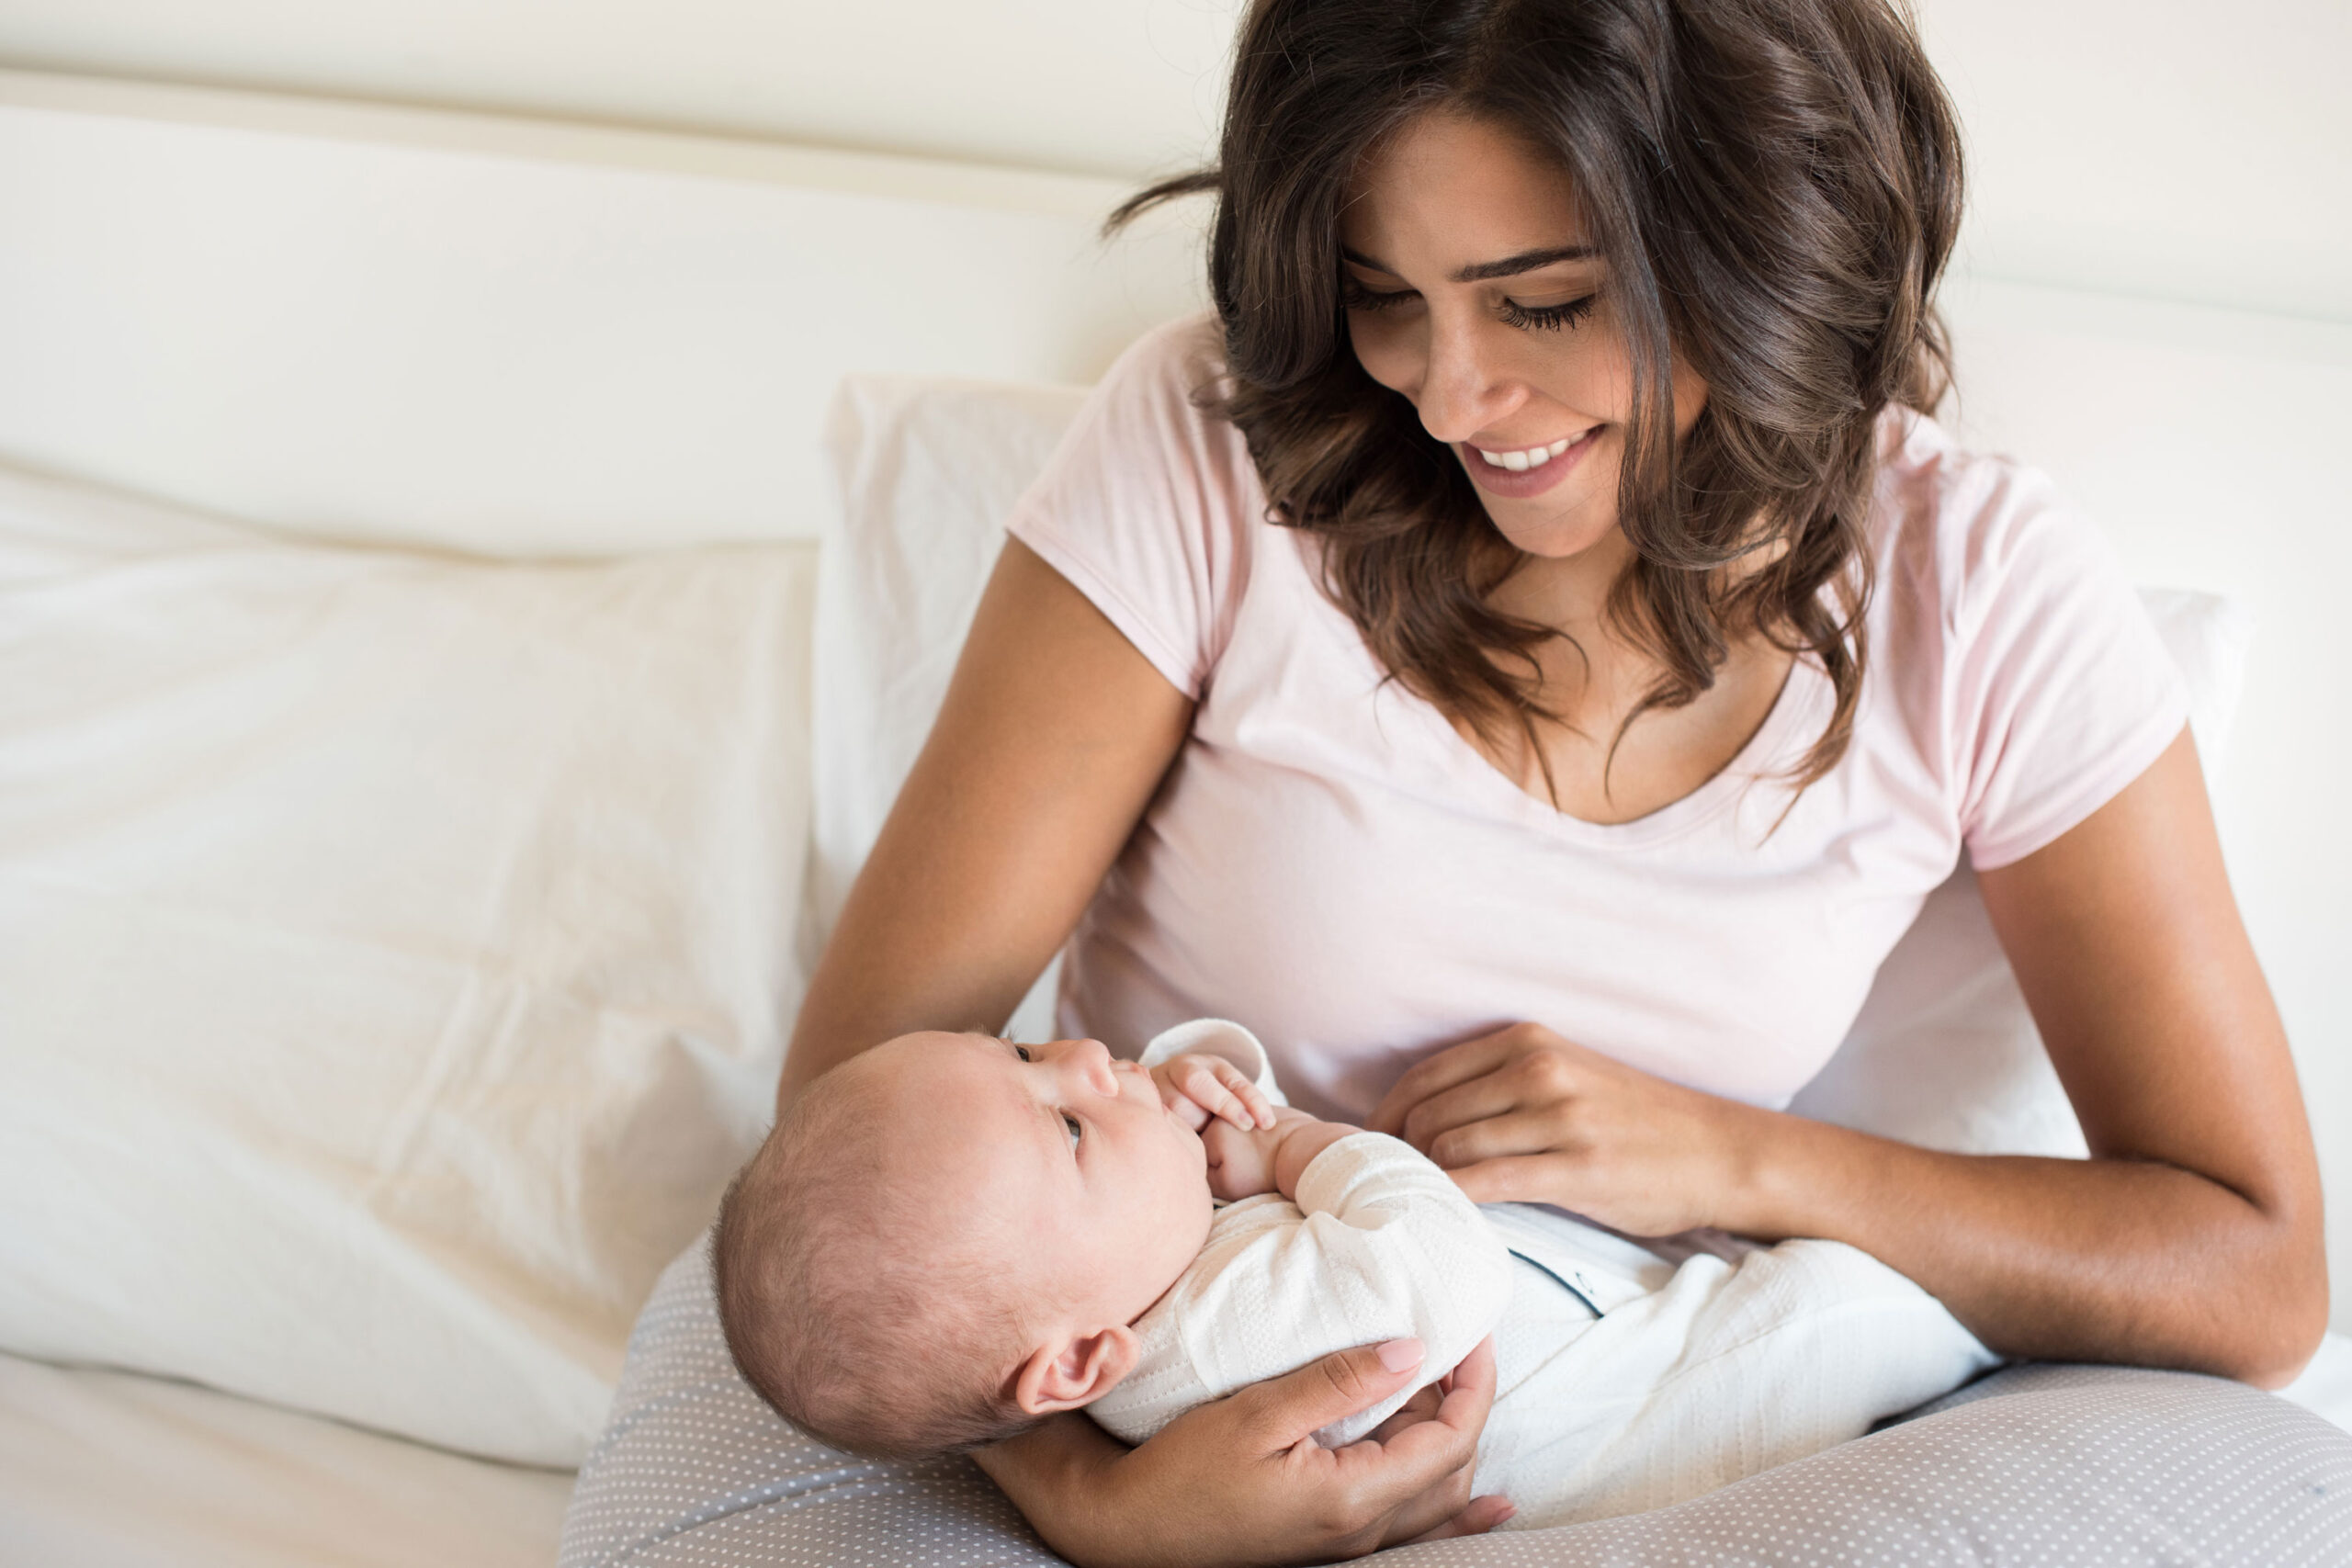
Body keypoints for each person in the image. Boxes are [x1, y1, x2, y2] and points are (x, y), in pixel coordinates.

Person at [779, 0, 2327, 1560]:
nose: (1450, 400)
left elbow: (2253, 1272)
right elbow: (856, 1100)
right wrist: (1099, 1499)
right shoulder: (1213, 454)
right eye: (1387, 295)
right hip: (1119, 1376)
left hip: (1607, 1419)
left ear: (1759, 251)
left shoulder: (1979, 593)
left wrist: (1730, 1157)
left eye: (1545, 304)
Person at [718, 1021, 1995, 1528]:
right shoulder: (1216, 1344)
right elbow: (1432, 1276)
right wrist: (1289, 1142)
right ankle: (1981, 1340)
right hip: (1664, 1386)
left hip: (1611, 1290)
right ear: (1078, 1366)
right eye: (1064, 1126)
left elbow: (1207, 1172)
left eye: (1026, 1052)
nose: (1090, 1064)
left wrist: (1197, 1115)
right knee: (1858, 1312)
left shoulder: (1136, 1274)